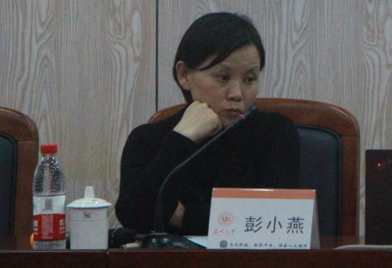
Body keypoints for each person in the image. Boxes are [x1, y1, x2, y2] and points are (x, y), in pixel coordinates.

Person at [116, 12, 300, 236]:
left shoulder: (275, 133)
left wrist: (184, 217)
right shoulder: (148, 139)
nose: (237, 94)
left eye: (249, 79)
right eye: (223, 77)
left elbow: (277, 223)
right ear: (185, 75)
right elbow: (135, 218)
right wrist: (181, 138)